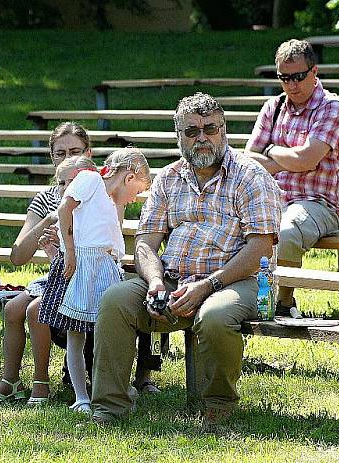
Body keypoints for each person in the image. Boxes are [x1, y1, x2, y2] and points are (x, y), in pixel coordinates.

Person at [90, 93, 281, 426]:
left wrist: (209, 285)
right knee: (116, 301)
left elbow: (261, 247)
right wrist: (154, 283)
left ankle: (218, 404)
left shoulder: (251, 175)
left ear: (224, 131)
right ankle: (109, 408)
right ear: (179, 137)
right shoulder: (168, 178)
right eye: (192, 131)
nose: (202, 137)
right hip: (173, 280)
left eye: (210, 129)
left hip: (239, 280)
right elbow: (146, 243)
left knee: (215, 315)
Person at [0, 123, 158, 406]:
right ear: (51, 157)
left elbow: (111, 243)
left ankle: (108, 384)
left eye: (74, 152)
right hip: (66, 269)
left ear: (88, 154)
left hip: (92, 269)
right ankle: (30, 382)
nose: (66, 160)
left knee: (53, 313)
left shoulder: (101, 191)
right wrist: (54, 231)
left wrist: (69, 246)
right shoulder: (62, 194)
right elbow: (18, 255)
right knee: (25, 309)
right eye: (59, 153)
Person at [37, 150, 151, 414]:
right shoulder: (90, 180)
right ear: (129, 177)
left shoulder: (110, 203)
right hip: (81, 266)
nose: (135, 198)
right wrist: (70, 250)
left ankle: (111, 388)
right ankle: (81, 396)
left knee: (110, 334)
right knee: (76, 336)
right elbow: (65, 208)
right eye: (137, 190)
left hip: (102, 269)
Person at [244, 39, 339, 317]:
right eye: (284, 78)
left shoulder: (332, 107)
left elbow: (308, 159)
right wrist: (290, 161)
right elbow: (248, 158)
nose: (292, 85)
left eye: (299, 77)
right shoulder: (273, 106)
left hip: (319, 203)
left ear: (314, 72)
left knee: (287, 231)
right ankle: (241, 298)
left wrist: (271, 152)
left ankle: (283, 301)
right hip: (273, 198)